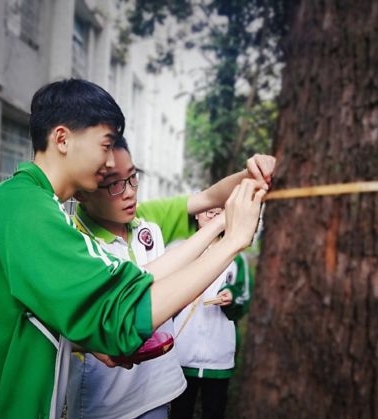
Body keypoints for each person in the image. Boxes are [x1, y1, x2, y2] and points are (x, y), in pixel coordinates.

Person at [0, 79, 265, 419]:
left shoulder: (32, 204)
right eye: (106, 145)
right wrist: (232, 240)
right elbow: (121, 313)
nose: (110, 163)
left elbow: (130, 283)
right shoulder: (25, 205)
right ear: (62, 138)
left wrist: (222, 224)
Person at [67, 137, 275, 419]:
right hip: (103, 402)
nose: (129, 193)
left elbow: (209, 197)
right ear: (82, 190)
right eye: (114, 184)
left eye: (133, 178)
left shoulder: (147, 222)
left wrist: (250, 177)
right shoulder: (71, 243)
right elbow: (115, 305)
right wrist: (231, 236)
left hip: (157, 389)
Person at [170, 209, 253, 419]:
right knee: (180, 411)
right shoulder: (179, 251)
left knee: (214, 411)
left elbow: (244, 299)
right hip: (182, 350)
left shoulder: (235, 256)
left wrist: (231, 296)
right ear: (196, 214)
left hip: (218, 354)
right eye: (208, 208)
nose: (214, 211)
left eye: (220, 209)